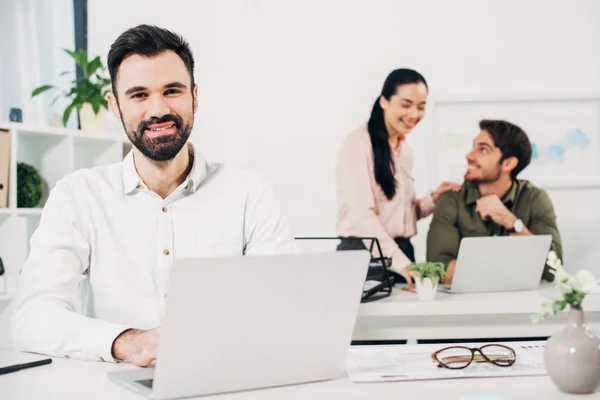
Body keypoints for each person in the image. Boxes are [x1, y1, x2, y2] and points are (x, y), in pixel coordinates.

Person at [12, 25, 295, 366]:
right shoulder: (78, 196)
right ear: (115, 106)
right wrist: (128, 342)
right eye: (139, 95)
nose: (157, 109)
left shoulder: (249, 194)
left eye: (172, 91)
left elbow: (282, 307)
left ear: (195, 96)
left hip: (226, 382)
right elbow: (32, 317)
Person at [336, 69, 460, 287]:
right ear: (384, 101)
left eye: (421, 107)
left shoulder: (405, 150)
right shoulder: (358, 144)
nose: (414, 114)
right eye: (406, 104)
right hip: (364, 257)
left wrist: (433, 200)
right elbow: (362, 217)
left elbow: (399, 215)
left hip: (401, 252)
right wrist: (404, 265)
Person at [426, 119, 562, 283]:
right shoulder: (452, 199)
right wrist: (519, 270)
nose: (469, 156)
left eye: (483, 149)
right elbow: (437, 269)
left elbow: (553, 270)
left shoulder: (535, 199)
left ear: (508, 163)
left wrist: (512, 222)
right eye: (473, 147)